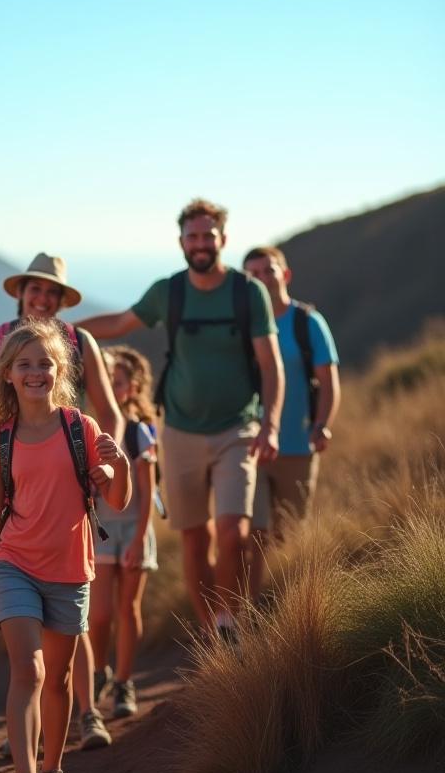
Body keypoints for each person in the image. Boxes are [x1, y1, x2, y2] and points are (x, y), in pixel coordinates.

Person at [77, 198, 284, 639]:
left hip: (237, 428)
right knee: (194, 539)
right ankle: (211, 630)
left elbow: (270, 364)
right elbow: (121, 322)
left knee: (233, 531)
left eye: (208, 236)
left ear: (222, 239)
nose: (200, 244)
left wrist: (271, 425)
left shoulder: (249, 292)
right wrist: (67, 329)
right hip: (181, 432)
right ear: (181, 242)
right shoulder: (168, 292)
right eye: (192, 237)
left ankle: (230, 620)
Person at [0, 321, 131, 773]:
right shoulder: (0, 439)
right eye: (25, 365)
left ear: (59, 371)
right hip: (15, 562)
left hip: (71, 569)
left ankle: (54, 771)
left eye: (45, 364)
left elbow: (117, 503)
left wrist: (119, 465)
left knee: (59, 680)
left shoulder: (81, 429)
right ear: (8, 375)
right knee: (30, 672)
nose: (36, 372)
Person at [0, 253, 123, 750]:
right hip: (14, 475)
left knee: (70, 619)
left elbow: (109, 412)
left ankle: (87, 714)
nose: (42, 300)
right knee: (27, 629)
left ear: (62, 301)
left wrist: (105, 464)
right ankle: (30, 728)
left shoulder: (79, 343)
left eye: (52, 294)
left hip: (75, 476)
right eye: (35, 291)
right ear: (21, 293)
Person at [243, 246, 340, 548]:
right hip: (247, 446)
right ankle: (254, 595)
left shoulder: (308, 322)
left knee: (290, 535)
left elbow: (328, 382)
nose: (261, 278)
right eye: (252, 274)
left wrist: (322, 424)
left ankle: (287, 595)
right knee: (253, 534)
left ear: (285, 274)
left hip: (298, 446)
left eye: (268, 270)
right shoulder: (240, 325)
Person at [90, 346, 158, 718]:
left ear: (130, 389)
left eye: (117, 383)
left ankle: (125, 683)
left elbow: (147, 492)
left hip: (133, 530)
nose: (110, 388)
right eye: (105, 381)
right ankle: (100, 671)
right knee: (99, 614)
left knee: (127, 608)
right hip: (100, 532)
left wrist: (139, 537)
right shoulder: (87, 430)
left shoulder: (139, 433)